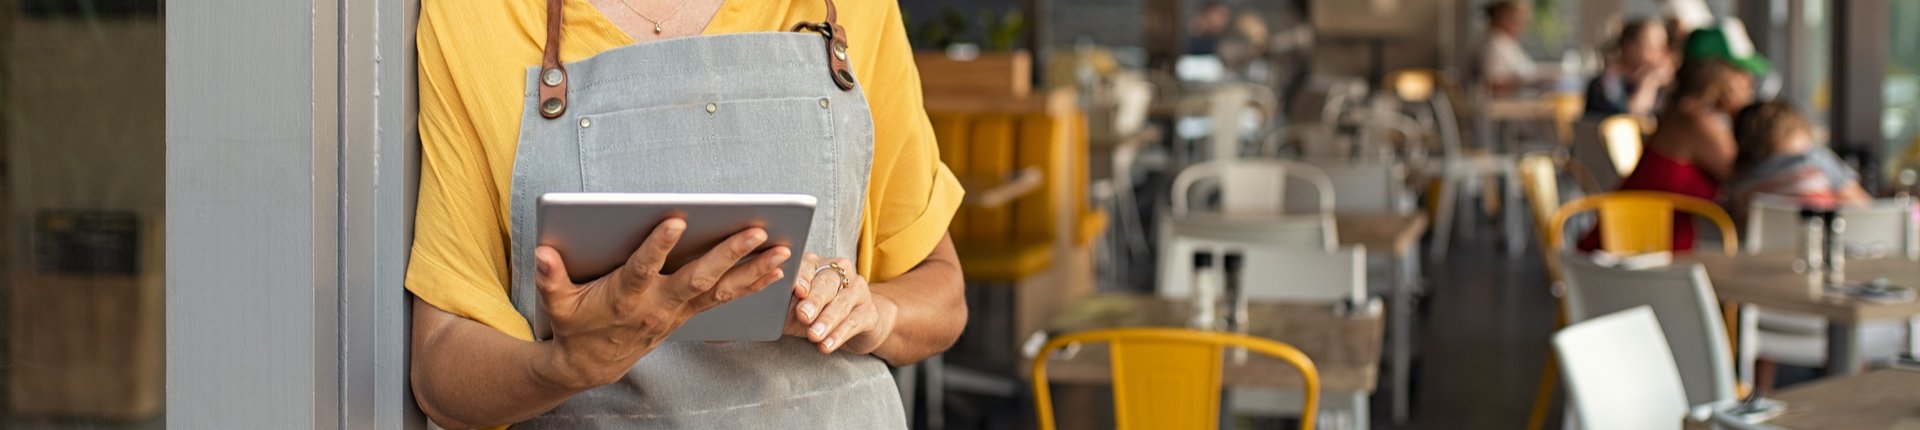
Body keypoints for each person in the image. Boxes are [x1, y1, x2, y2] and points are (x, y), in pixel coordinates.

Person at [405, 0, 967, 428]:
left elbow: (942, 294)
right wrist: (566, 367)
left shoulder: (846, 9)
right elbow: (440, 362)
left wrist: (870, 315)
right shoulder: (476, 16)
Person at [1579, 44, 1762, 252]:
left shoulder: (1683, 112)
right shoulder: (1695, 120)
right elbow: (1750, 175)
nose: (1749, 82)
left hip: (1644, 250)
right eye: (1741, 73)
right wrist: (1746, 114)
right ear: (1719, 74)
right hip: (1626, 255)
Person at [1728, 100, 1872, 216]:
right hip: (1820, 245)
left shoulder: (1739, 182)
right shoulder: (1814, 159)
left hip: (1766, 251)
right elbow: (1864, 208)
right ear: (1795, 132)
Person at [1584, 19, 1674, 117]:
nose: (1662, 55)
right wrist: (1649, 84)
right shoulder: (1606, 85)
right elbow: (1628, 120)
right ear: (1630, 49)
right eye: (1653, 48)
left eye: (1665, 47)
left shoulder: (1665, 87)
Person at [1477, 1, 1558, 97]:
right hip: (1504, 106)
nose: (1524, 26)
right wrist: (1531, 81)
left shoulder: (1507, 42)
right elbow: (1492, 82)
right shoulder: (1493, 44)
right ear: (1504, 18)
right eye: (1520, 19)